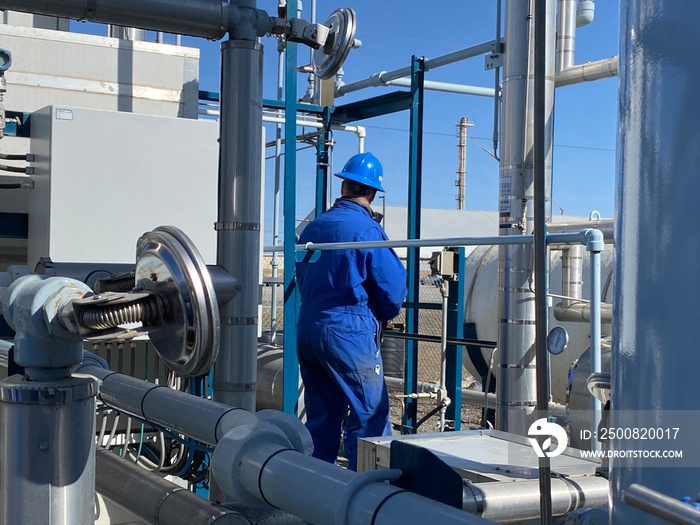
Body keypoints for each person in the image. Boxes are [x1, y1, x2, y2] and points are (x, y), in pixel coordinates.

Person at [296, 152, 407, 471]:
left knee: (321, 417)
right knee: (370, 419)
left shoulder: (313, 228)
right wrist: (383, 312)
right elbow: (392, 289)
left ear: (344, 186)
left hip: (310, 329)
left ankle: (314, 495)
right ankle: (367, 502)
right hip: (348, 334)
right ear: (372, 193)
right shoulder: (367, 231)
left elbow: (304, 277)